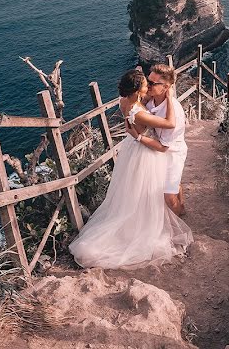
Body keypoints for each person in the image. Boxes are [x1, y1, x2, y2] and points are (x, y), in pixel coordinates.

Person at [68, 69, 192, 269]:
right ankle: (144, 226)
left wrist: (136, 132)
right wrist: (140, 135)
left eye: (151, 84)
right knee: (145, 192)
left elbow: (135, 123)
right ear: (138, 90)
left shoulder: (125, 101)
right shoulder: (139, 110)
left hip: (133, 150)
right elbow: (168, 126)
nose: (148, 87)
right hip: (145, 151)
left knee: (134, 190)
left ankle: (165, 208)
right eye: (146, 84)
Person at [145, 64, 188, 216]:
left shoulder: (173, 112)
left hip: (173, 152)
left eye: (152, 83)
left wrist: (138, 137)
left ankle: (179, 223)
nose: (147, 85)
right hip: (160, 151)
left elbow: (164, 146)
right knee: (173, 185)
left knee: (169, 196)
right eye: (147, 81)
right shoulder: (151, 101)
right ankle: (181, 208)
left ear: (166, 87)